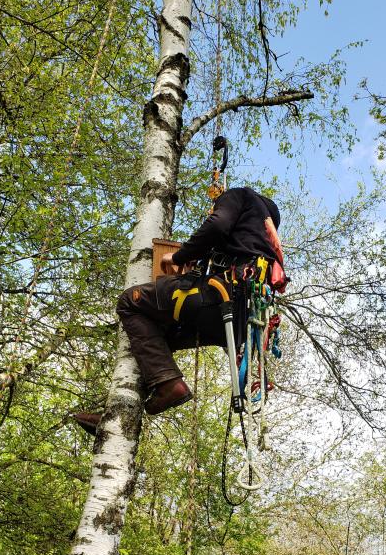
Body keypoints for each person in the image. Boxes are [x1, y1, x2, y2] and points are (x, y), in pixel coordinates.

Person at [73, 186, 284, 435]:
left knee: (131, 302)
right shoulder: (263, 236)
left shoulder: (241, 195)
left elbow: (217, 225)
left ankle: (170, 386)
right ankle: (120, 416)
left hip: (222, 296)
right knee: (156, 339)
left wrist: (178, 257)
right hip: (241, 320)